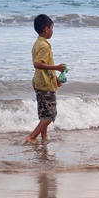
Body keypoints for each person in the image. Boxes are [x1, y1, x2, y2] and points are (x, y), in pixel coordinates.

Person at [25, 14, 66, 144]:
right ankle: (31, 137)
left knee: (44, 114)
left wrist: (55, 79)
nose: (53, 31)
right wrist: (57, 67)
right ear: (46, 29)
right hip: (44, 85)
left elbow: (44, 64)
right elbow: (37, 64)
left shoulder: (38, 43)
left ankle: (44, 139)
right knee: (50, 116)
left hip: (41, 82)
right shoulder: (44, 46)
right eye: (52, 28)